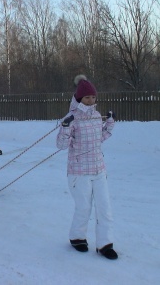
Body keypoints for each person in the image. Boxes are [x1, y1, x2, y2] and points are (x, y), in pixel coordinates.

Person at [56, 74, 118, 260]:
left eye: (93, 97)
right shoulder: (72, 117)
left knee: (104, 208)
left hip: (99, 169)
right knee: (84, 207)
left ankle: (105, 244)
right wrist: (66, 127)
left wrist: (110, 123)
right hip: (79, 172)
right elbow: (61, 144)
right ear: (79, 98)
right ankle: (77, 237)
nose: (90, 100)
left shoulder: (97, 115)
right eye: (87, 97)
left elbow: (100, 138)